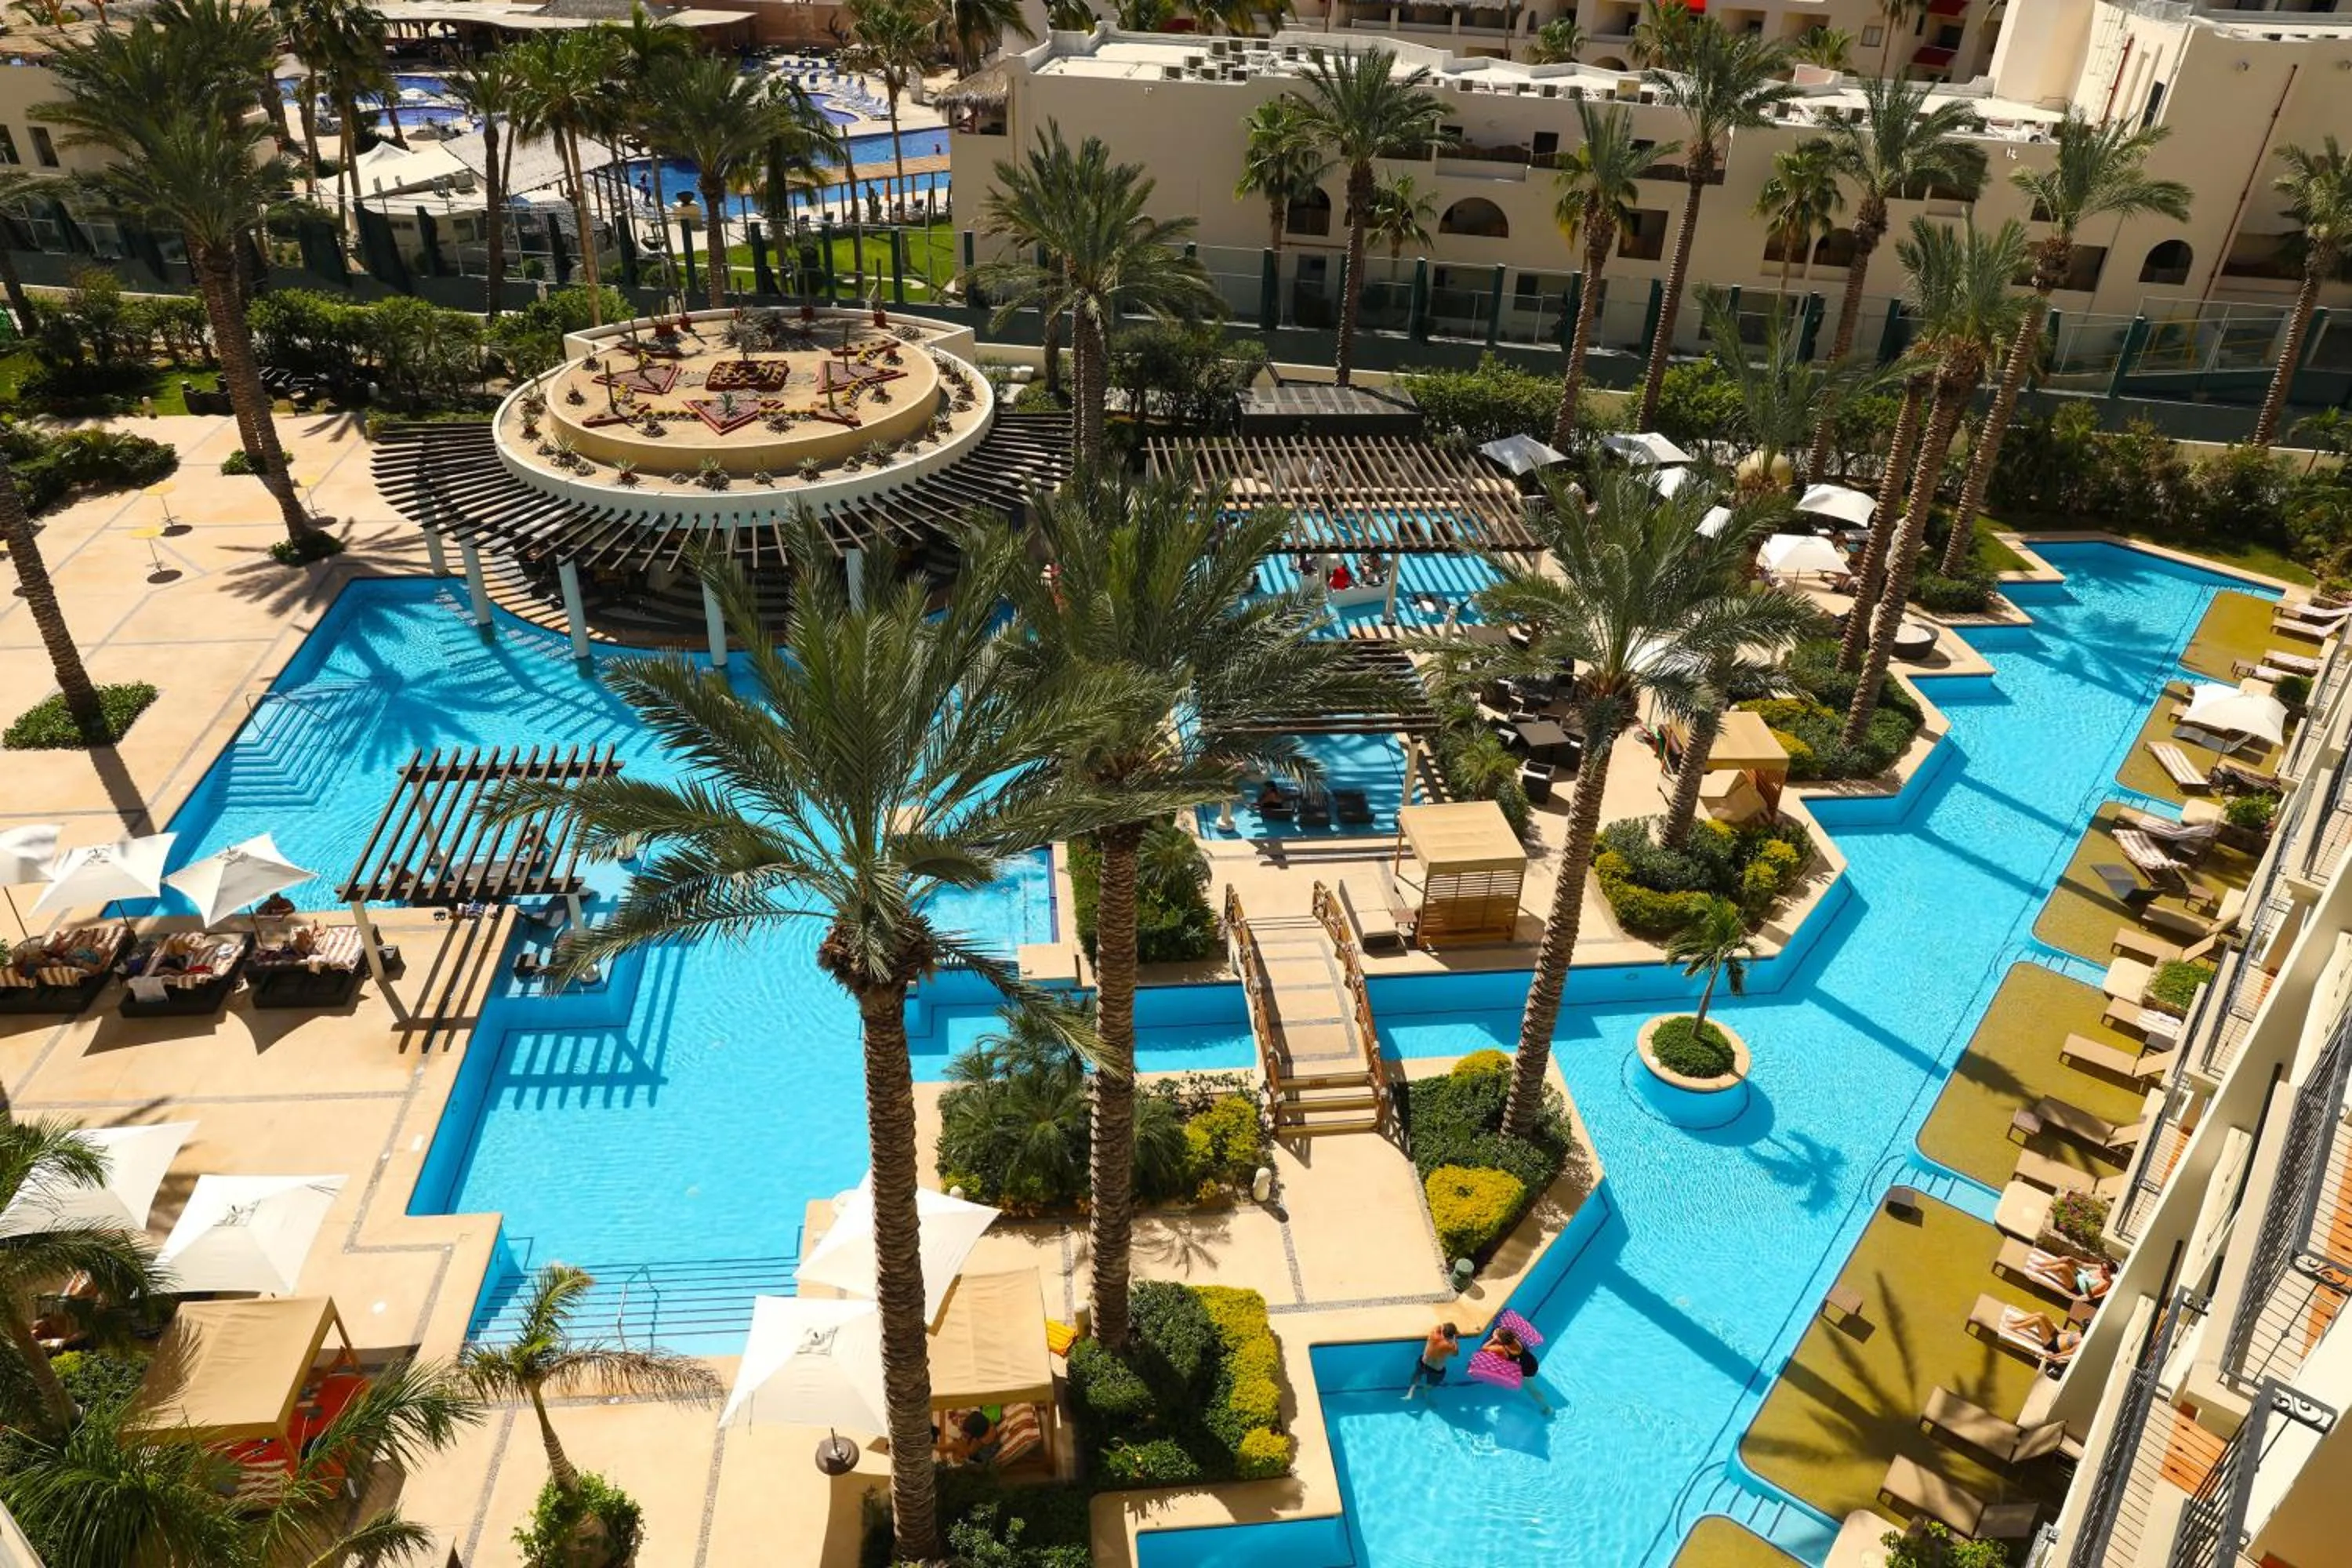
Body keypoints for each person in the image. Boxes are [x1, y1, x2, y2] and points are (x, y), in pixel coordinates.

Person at [1487, 1325, 1553, 1414]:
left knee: (1533, 1390)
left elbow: (1486, 1348)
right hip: (1532, 1362)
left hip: (1526, 1371)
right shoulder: (1516, 1341)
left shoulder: (1505, 1351)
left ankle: (1548, 1408)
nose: (1493, 1336)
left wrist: (1493, 1341)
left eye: (1494, 1336)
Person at [1404, 1322, 1458, 1399]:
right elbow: (1456, 1354)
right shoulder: (1451, 1346)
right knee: (1431, 1383)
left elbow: (1438, 1326)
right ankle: (1425, 1393)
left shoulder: (1433, 1335)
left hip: (1423, 1363)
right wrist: (1455, 1340)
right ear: (1452, 1335)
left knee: (1417, 1375)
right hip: (1436, 1370)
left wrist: (1443, 1327)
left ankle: (1410, 1393)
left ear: (1442, 1331)